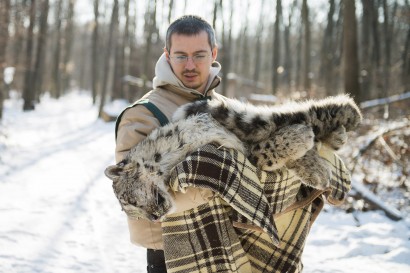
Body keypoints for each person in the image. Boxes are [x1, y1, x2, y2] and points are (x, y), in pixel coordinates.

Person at [115, 15, 226, 272]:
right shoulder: (143, 114)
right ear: (167, 55)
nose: (190, 65)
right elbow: (136, 195)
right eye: (180, 56)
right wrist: (220, 185)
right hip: (171, 256)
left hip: (223, 247)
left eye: (199, 55)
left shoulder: (224, 107)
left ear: (213, 53)